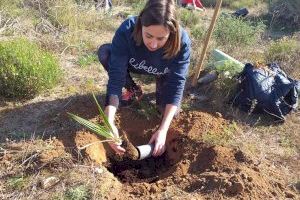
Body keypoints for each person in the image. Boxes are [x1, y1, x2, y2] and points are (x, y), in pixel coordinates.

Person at [97, 0, 191, 157]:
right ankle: (133, 90)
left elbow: (177, 85)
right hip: (135, 65)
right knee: (106, 53)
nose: (153, 44)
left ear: (172, 33)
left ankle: (159, 87)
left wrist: (163, 129)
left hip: (164, 72)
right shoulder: (127, 30)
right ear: (140, 25)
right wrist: (109, 123)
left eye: (161, 38)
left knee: (169, 114)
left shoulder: (182, 42)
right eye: (148, 35)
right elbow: (115, 79)